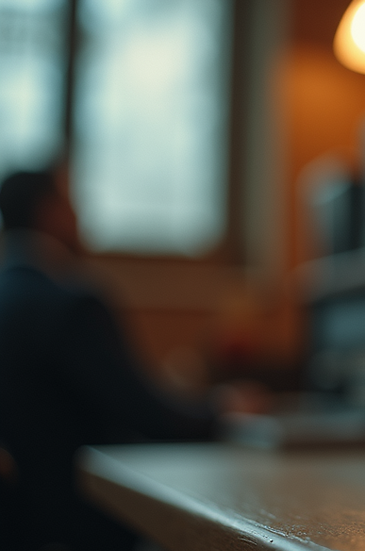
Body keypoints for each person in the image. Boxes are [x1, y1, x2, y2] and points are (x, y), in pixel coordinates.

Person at [0, 169, 218, 550]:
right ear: (49, 211)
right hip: (82, 522)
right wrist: (224, 411)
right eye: (71, 203)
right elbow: (152, 418)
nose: (79, 215)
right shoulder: (69, 304)